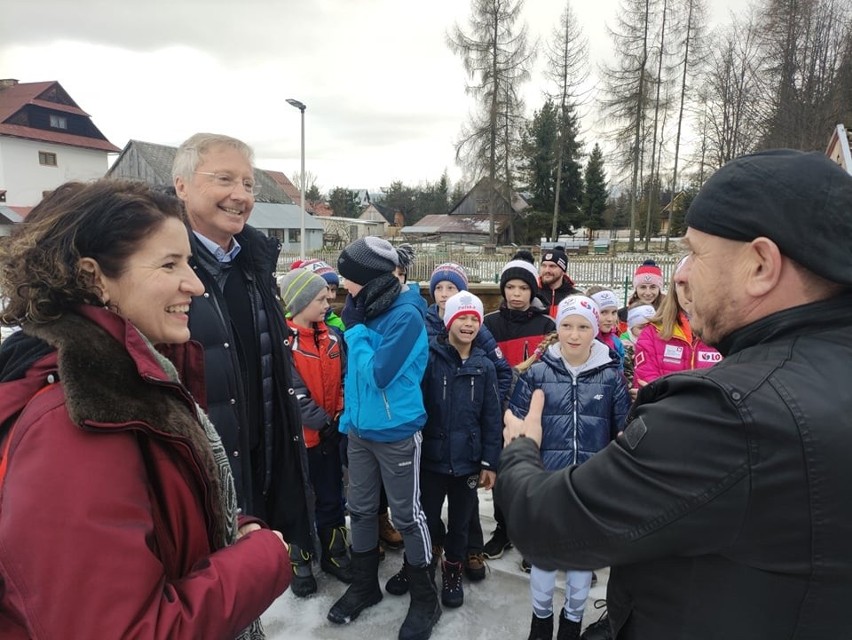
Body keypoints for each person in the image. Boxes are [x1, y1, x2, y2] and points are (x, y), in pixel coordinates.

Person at [496, 149, 852, 639]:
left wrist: (520, 450)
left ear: (761, 265)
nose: (679, 275)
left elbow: (547, 526)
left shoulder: (731, 413)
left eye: (695, 253)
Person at [0, 180, 290, 639]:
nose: (195, 285)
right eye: (170, 264)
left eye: (190, 263)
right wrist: (262, 560)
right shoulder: (77, 417)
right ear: (93, 277)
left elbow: (148, 513)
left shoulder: (125, 380)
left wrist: (227, 525)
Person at [170, 133, 314, 597]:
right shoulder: (161, 272)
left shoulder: (252, 264)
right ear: (182, 186)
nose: (241, 196)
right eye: (224, 179)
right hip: (200, 480)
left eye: (249, 184)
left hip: (259, 461)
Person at [327, 237, 441, 640]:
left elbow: (379, 373)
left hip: (396, 433)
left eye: (348, 278)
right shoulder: (367, 305)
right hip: (360, 430)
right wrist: (350, 420)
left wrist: (355, 332)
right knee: (358, 510)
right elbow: (355, 377)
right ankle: (364, 585)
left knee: (408, 515)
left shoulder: (406, 315)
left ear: (370, 280)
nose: (343, 286)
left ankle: (426, 598)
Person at [509, 296, 630, 640]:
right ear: (556, 327)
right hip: (548, 484)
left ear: (595, 330)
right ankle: (541, 620)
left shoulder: (610, 377)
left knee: (581, 563)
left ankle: (572, 622)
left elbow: (623, 432)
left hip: (590, 487)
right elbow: (518, 427)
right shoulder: (536, 373)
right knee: (544, 560)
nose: (574, 334)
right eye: (566, 325)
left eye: (583, 327)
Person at [424, 261, 511, 581]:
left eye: (452, 288)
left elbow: (496, 391)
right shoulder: (427, 338)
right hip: (435, 448)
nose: (445, 294)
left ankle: (461, 559)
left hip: (467, 448)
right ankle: (425, 557)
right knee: (429, 509)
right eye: (440, 288)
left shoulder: (483, 356)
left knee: (464, 511)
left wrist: (489, 454)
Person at [414, 291, 501, 609]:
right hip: (432, 459)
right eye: (461, 317)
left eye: (473, 319)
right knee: (427, 515)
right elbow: (417, 405)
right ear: (448, 321)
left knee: (462, 520)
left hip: (467, 461)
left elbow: (492, 417)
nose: (467, 324)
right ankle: (422, 566)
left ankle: (453, 568)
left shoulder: (484, 365)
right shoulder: (429, 357)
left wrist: (490, 461)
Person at [279, 268, 352, 586]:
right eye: (321, 299)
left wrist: (340, 416)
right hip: (302, 439)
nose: (328, 303)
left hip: (331, 435)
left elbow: (346, 379)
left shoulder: (335, 337)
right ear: (300, 301)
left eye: (327, 297)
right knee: (300, 499)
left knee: (332, 494)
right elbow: (293, 392)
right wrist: (322, 422)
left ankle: (335, 553)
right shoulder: (286, 344)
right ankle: (300, 558)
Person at [482, 258, 555, 560]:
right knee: (502, 469)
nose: (516, 293)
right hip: (499, 407)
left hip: (534, 408)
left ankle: (531, 532)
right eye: (510, 287)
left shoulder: (546, 325)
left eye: (523, 287)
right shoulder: (489, 323)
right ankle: (503, 528)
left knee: (532, 470)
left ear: (532, 290)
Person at [633, 262, 721, 388]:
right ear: (674, 289)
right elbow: (647, 384)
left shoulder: (728, 333)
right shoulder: (652, 332)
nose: (689, 292)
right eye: (681, 283)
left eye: (698, 282)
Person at [616, 260, 666, 335]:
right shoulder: (622, 315)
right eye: (643, 287)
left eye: (653, 287)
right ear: (636, 289)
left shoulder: (668, 314)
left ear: (659, 289)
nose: (648, 293)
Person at [298, 258, 345, 332]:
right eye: (325, 289)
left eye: (333, 290)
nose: (331, 296)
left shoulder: (339, 327)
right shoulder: (283, 327)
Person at [586, 287, 626, 370]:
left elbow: (620, 374)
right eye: (603, 312)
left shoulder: (616, 342)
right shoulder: (581, 341)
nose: (610, 319)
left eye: (614, 312)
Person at [537, 247, 582, 318]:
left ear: (563, 270)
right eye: (544, 266)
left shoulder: (576, 297)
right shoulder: (533, 293)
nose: (547, 270)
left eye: (552, 266)